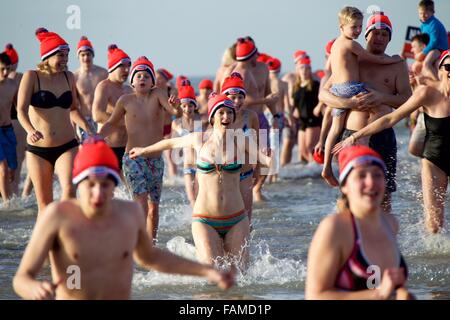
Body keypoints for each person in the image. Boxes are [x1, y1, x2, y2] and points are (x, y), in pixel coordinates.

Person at [12, 139, 234, 300]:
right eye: (90, 185)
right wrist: (34, 289)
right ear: (78, 184)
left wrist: (207, 271)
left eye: (105, 185)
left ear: (115, 185)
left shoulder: (129, 214)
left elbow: (151, 257)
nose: (98, 193)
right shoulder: (57, 216)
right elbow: (21, 278)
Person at [129, 93, 272, 269]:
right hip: (205, 221)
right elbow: (171, 144)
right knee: (212, 274)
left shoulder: (240, 140)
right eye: (221, 113)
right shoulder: (200, 139)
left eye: (229, 113)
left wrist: (269, 158)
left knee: (241, 275)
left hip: (236, 219)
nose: (226, 116)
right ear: (212, 117)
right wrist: (143, 150)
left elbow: (263, 159)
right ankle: (191, 253)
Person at [334, 50, 450, 234]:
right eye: (448, 67)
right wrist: (355, 136)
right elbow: (391, 118)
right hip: (434, 161)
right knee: (434, 225)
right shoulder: (427, 93)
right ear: (440, 69)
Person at [320, 12, 410, 216]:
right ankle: (349, 242)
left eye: (384, 34)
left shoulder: (396, 65)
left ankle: (384, 244)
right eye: (375, 33)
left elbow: (406, 99)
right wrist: (347, 102)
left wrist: (381, 97)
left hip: (383, 136)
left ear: (389, 38)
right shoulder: (353, 60)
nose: (379, 38)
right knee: (350, 196)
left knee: (384, 196)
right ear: (365, 35)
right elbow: (324, 94)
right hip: (352, 135)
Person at [306, 145, 413, 300]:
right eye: (361, 176)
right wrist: (379, 294)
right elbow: (315, 296)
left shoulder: (391, 223)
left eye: (377, 175)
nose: (371, 182)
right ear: (345, 187)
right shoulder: (335, 228)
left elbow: (390, 288)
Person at [98, 56, 182, 240]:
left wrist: (177, 108)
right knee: (141, 201)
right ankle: (139, 243)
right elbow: (111, 123)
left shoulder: (158, 94)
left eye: (146, 76)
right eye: (138, 76)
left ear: (152, 81)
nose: (142, 79)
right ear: (132, 82)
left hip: (155, 160)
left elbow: (174, 112)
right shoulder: (125, 100)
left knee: (154, 208)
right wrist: (96, 137)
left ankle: (150, 246)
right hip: (133, 158)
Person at [17, 28, 92, 216]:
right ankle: (50, 244)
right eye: (61, 55)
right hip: (38, 150)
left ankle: (68, 240)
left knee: (69, 192)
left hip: (67, 145)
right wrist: (30, 130)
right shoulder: (31, 76)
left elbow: (73, 109)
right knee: (45, 206)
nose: (65, 60)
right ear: (47, 56)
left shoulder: (69, 77)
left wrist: (90, 130)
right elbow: (20, 110)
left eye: (67, 55)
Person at [227, 37, 279, 202]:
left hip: (261, 118)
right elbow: (238, 100)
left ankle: (257, 189)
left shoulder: (263, 68)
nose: (258, 56)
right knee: (245, 158)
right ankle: (241, 191)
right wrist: (266, 101)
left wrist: (275, 115)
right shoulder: (238, 73)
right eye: (255, 54)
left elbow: (267, 93)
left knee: (267, 157)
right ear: (249, 57)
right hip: (244, 119)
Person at [221, 72, 260, 222]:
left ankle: (246, 246)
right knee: (226, 218)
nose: (237, 101)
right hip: (226, 175)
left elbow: (259, 144)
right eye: (232, 98)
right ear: (225, 98)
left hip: (245, 174)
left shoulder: (251, 116)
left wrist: (259, 171)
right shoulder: (219, 117)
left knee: (246, 218)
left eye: (240, 97)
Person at [92, 44, 132, 170]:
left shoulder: (129, 89)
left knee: (133, 189)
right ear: (112, 67)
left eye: (128, 66)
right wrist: (124, 122)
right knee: (109, 189)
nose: (126, 70)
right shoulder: (104, 87)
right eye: (122, 66)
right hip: (108, 147)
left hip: (127, 148)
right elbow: (97, 115)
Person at [172, 80, 205, 208]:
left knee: (201, 197)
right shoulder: (177, 123)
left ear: (195, 106)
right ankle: (194, 223)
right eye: (184, 106)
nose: (187, 109)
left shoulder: (202, 120)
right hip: (187, 164)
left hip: (201, 164)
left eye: (190, 105)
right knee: (192, 199)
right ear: (180, 106)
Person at [73, 36, 108, 142]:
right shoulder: (75, 77)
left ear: (92, 55)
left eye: (88, 54)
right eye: (82, 55)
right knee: (88, 152)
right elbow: (73, 107)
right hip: (85, 120)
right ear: (78, 57)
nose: (86, 58)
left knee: (104, 150)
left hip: (101, 118)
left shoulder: (103, 73)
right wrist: (74, 130)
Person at [4, 43, 27, 196]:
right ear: (16, 63)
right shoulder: (22, 79)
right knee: (17, 163)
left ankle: (9, 197)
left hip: (8, 123)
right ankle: (17, 195)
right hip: (19, 124)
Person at [292, 55, 322, 163]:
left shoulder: (315, 85)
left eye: (307, 68)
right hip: (302, 120)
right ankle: (313, 170)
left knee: (310, 147)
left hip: (313, 119)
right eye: (302, 68)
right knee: (302, 150)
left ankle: (316, 172)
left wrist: (319, 106)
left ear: (310, 70)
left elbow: (322, 99)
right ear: (298, 70)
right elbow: (296, 102)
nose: (304, 71)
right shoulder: (296, 86)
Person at [0, 52, 18, 202]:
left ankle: (6, 197)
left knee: (12, 169)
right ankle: (7, 205)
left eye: (8, 69)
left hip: (8, 130)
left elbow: (20, 107)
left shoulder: (12, 85)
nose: (5, 73)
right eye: (1, 69)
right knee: (3, 168)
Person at [417, 0, 449, 80]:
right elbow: (423, 42)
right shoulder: (423, 26)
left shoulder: (434, 24)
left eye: (426, 13)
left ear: (432, 12)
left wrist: (423, 53)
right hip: (431, 49)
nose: (423, 16)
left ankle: (437, 83)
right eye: (421, 13)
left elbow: (433, 41)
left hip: (439, 49)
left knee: (427, 64)